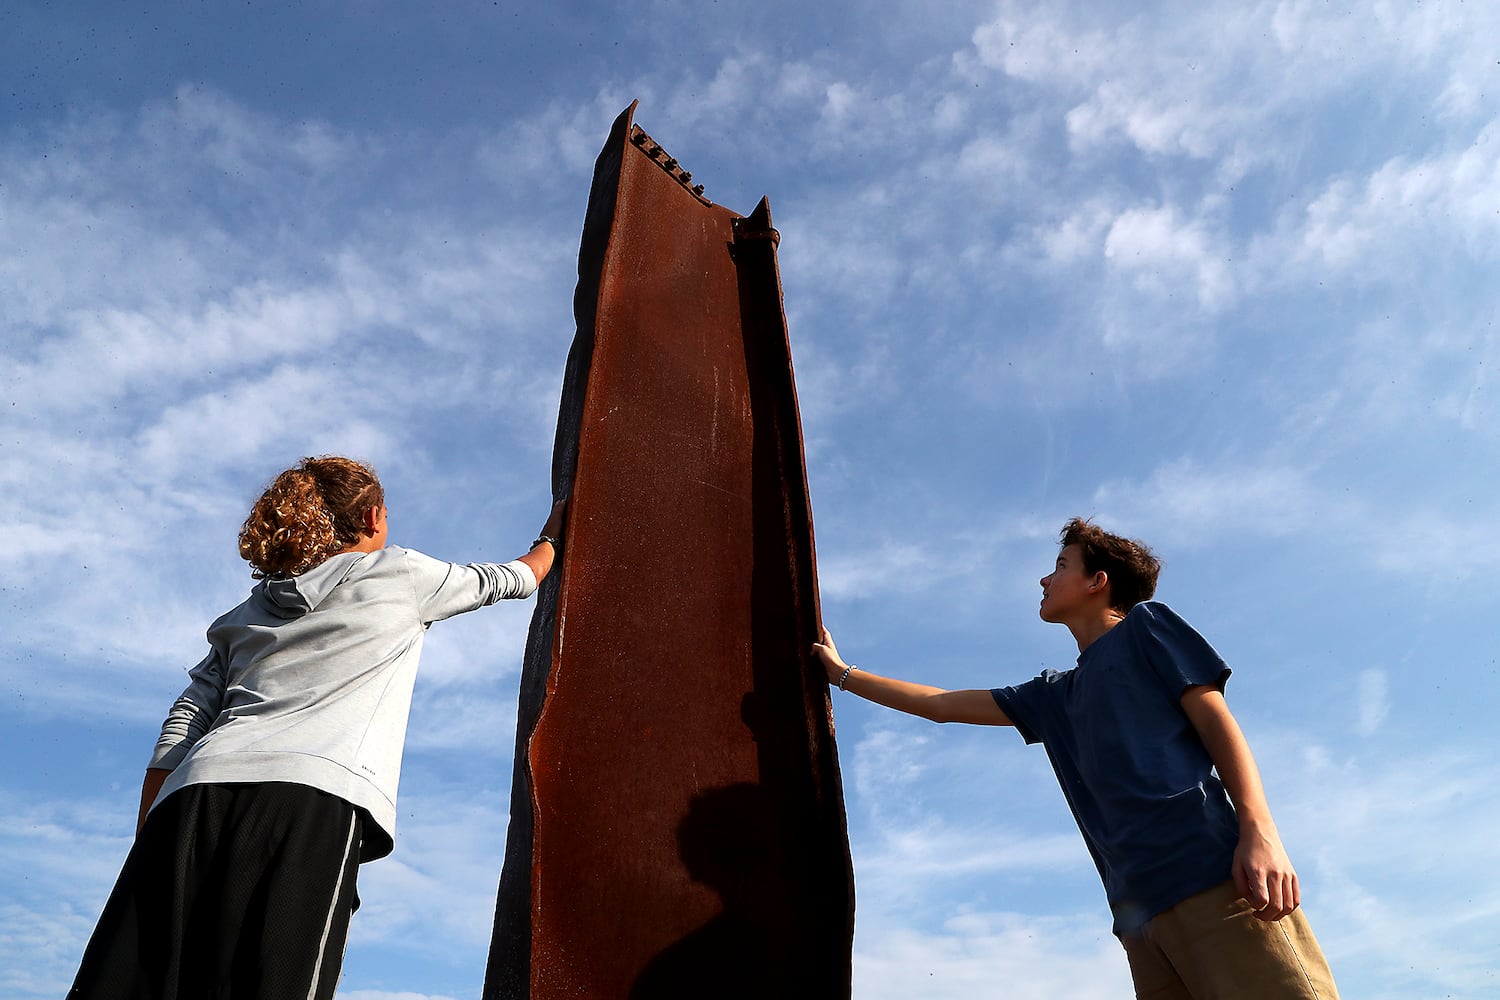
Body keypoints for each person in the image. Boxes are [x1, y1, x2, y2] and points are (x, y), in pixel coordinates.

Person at [68, 455, 566, 1000]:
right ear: (373, 517)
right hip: (307, 802)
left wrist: (154, 829)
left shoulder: (245, 613)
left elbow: (184, 721)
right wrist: (550, 539)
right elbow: (510, 579)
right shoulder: (399, 573)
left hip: (190, 800)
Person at [814, 518, 1339, 999]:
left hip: (1216, 879)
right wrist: (841, 674)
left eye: (1060, 566)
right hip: (1140, 919)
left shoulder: (1146, 629)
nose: (1045, 580)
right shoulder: (1052, 696)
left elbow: (1216, 722)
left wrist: (1260, 832)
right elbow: (942, 705)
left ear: (1097, 581)